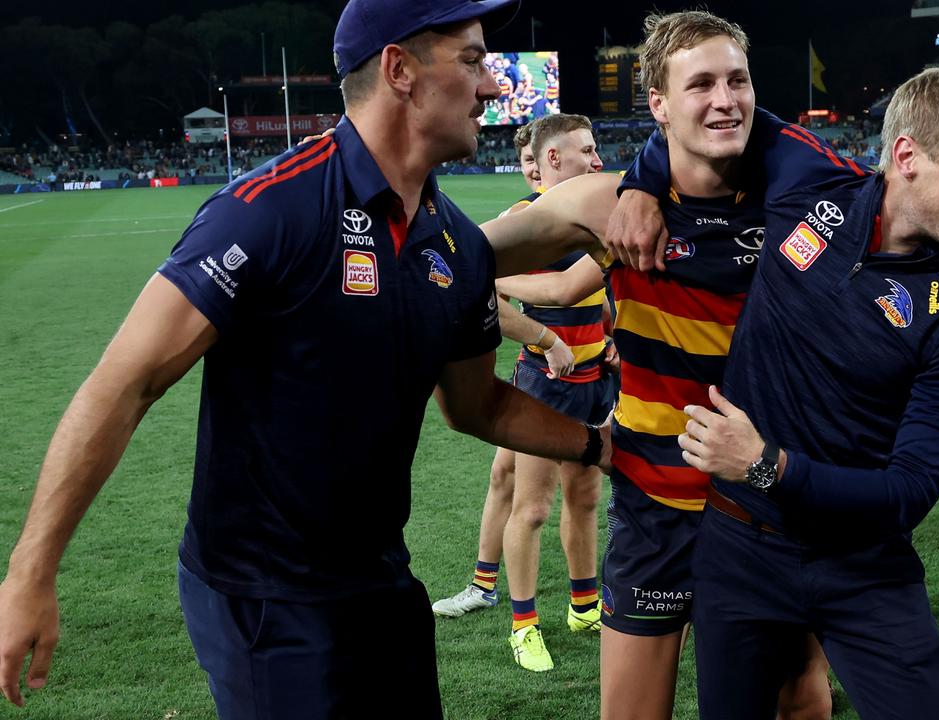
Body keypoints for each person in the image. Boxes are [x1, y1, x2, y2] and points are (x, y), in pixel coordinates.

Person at [0, 1, 616, 716]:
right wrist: (30, 573)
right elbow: (124, 384)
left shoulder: (456, 244)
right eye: (473, 61)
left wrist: (600, 445)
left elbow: (478, 405)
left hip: (382, 583)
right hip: (264, 599)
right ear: (400, 70)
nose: (495, 86)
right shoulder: (269, 210)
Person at [605, 63, 939, 719]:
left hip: (864, 569)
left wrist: (764, 466)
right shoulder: (812, 183)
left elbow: (907, 494)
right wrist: (639, 180)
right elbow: (709, 123)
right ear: (907, 156)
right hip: (738, 551)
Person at [483, 11, 831, 718]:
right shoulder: (603, 204)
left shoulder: (798, 201)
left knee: (798, 705)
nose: (724, 99)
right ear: (660, 105)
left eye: (738, 80)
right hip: (656, 508)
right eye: (700, 83)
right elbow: (459, 257)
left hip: (768, 501)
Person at [434, 114, 612, 675]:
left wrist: (609, 338)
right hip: (546, 385)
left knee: (583, 500)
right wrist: (543, 336)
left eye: (596, 147)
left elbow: (595, 295)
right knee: (530, 507)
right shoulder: (523, 221)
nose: (598, 160)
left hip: (595, 382)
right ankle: (523, 625)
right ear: (553, 161)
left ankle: (584, 606)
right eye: (586, 151)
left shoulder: (595, 219)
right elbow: (473, 286)